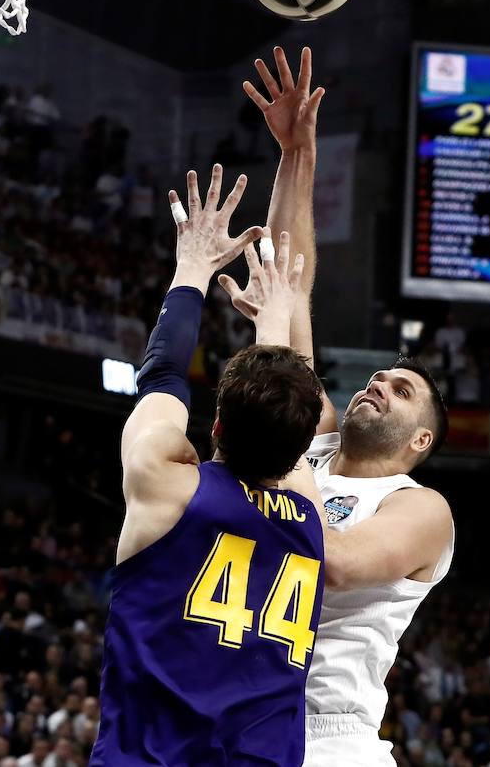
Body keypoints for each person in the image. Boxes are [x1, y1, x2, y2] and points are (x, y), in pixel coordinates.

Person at [241, 47, 455, 767]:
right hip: (240, 709)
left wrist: (286, 449)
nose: (378, 386)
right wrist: (295, 157)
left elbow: (332, 562)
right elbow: (290, 282)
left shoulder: (419, 507)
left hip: (329, 737)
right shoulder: (315, 440)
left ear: (420, 438)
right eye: (379, 378)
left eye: (400, 390)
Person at [90, 165, 327, 766]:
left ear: (215, 426)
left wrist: (193, 267)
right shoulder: (311, 513)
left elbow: (163, 375)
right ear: (305, 449)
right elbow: (293, 409)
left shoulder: (165, 484)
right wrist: (274, 321)